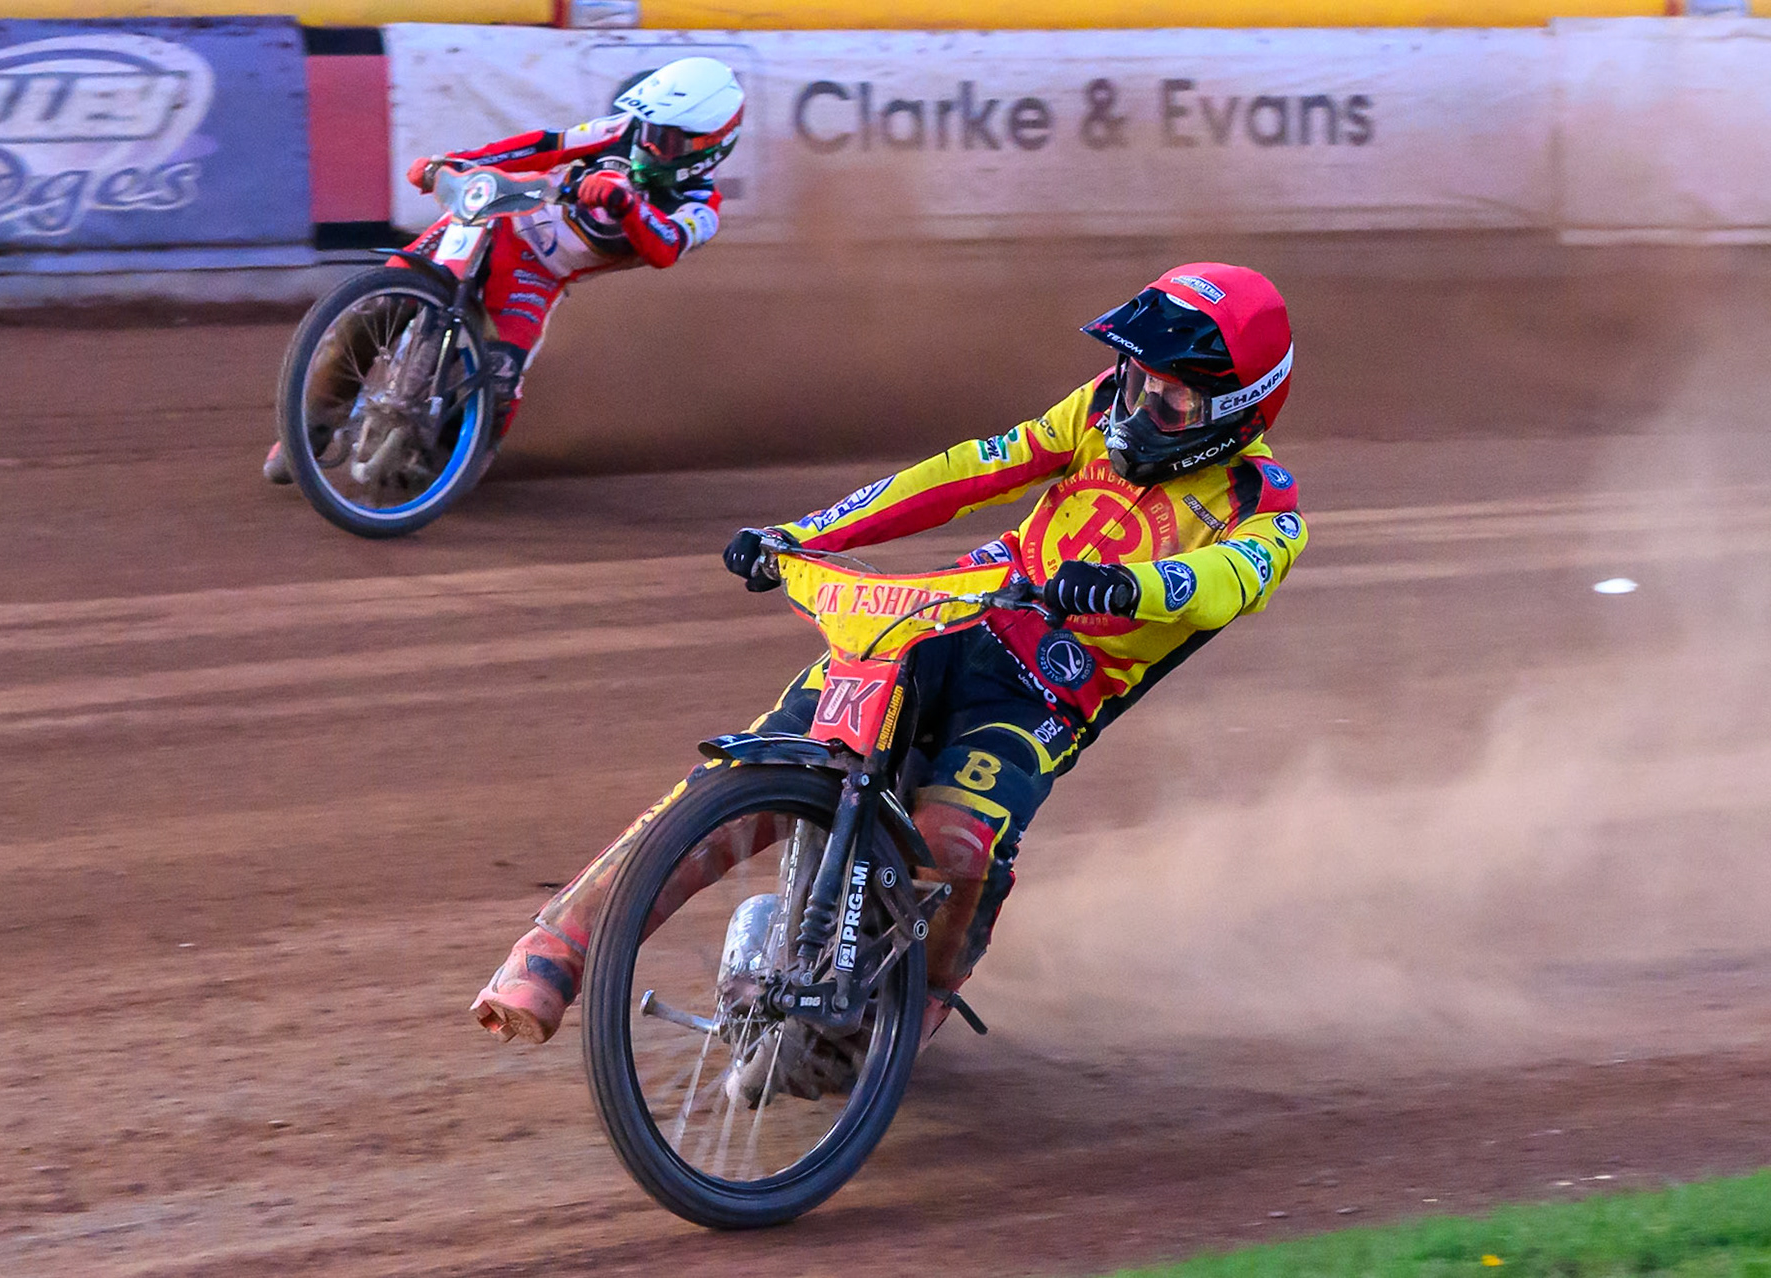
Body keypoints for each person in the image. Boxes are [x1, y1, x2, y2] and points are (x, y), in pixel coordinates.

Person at [471, 262, 1309, 1084]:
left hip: (1045, 690)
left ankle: (922, 1004)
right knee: (760, 759)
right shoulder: (1095, 408)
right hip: (956, 614)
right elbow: (967, 470)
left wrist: (1135, 587)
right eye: (1135, 378)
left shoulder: (1264, 505)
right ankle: (557, 947)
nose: (1138, 404)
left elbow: (1227, 581)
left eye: (1173, 397)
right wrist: (806, 535)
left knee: (956, 840)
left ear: (1237, 411)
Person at [263, 56, 744, 484]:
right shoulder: (620, 132)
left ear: (712, 146)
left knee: (498, 377)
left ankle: (448, 467)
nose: (651, 144)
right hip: (494, 217)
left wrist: (625, 205)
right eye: (650, 129)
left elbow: (666, 247)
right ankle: (309, 422)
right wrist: (453, 163)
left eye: (669, 138)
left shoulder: (702, 209)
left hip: (536, 275)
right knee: (381, 306)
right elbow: (541, 145)